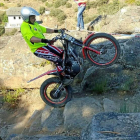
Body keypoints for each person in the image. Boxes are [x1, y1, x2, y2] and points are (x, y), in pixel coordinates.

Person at [20, 6, 65, 74]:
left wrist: (59, 30)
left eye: (34, 17)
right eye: (32, 17)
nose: (35, 19)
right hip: (38, 49)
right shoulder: (24, 26)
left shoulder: (34, 24)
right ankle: (63, 78)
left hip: (45, 46)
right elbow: (32, 39)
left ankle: (67, 70)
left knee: (63, 53)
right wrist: (46, 40)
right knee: (56, 58)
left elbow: (46, 29)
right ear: (26, 18)